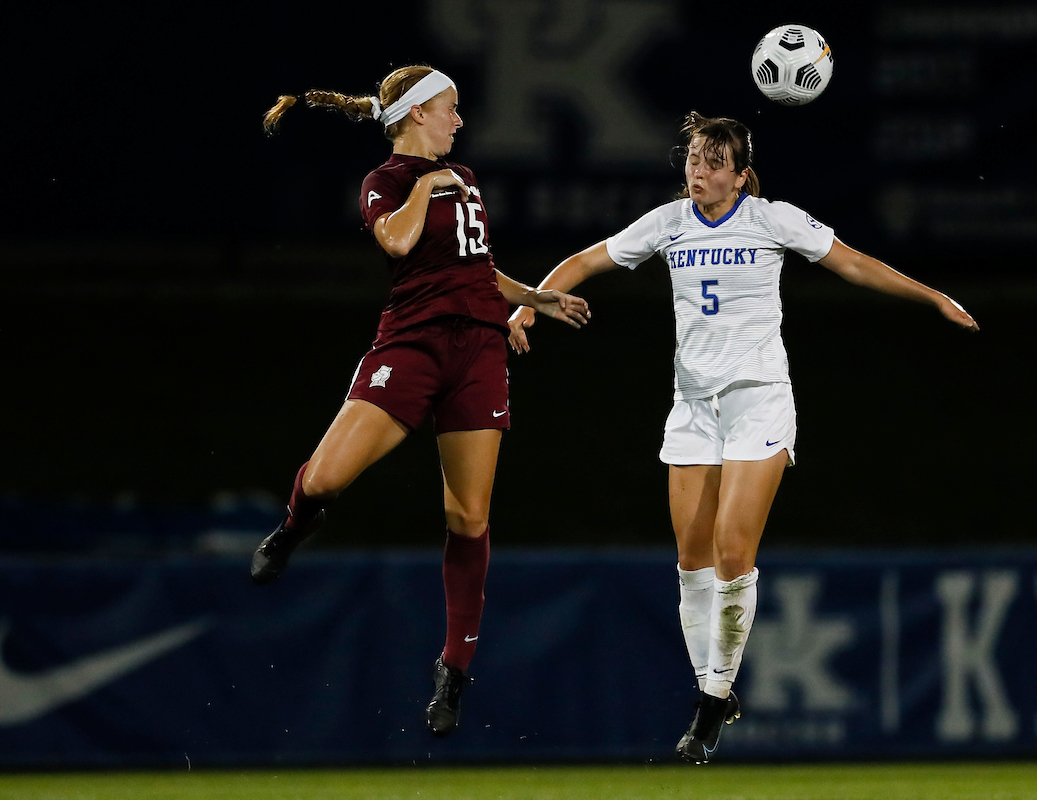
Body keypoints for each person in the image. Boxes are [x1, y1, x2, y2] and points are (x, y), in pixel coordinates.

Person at [508, 111, 978, 763]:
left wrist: (933, 297)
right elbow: (587, 259)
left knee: (733, 549)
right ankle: (714, 687)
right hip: (693, 407)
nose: (697, 171)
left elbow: (855, 263)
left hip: (758, 401)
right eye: (692, 159)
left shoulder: (771, 219)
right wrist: (531, 300)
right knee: (692, 561)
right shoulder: (668, 224)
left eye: (711, 162)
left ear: (738, 175)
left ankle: (709, 705)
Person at [254, 65, 590, 739]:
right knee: (324, 478)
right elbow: (398, 241)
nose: (460, 121)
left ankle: (453, 670)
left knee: (466, 516)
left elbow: (476, 270)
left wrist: (536, 299)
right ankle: (294, 526)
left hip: (478, 352)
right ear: (414, 116)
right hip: (411, 347)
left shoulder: (460, 178)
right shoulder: (387, 183)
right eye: (449, 109)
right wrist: (426, 184)